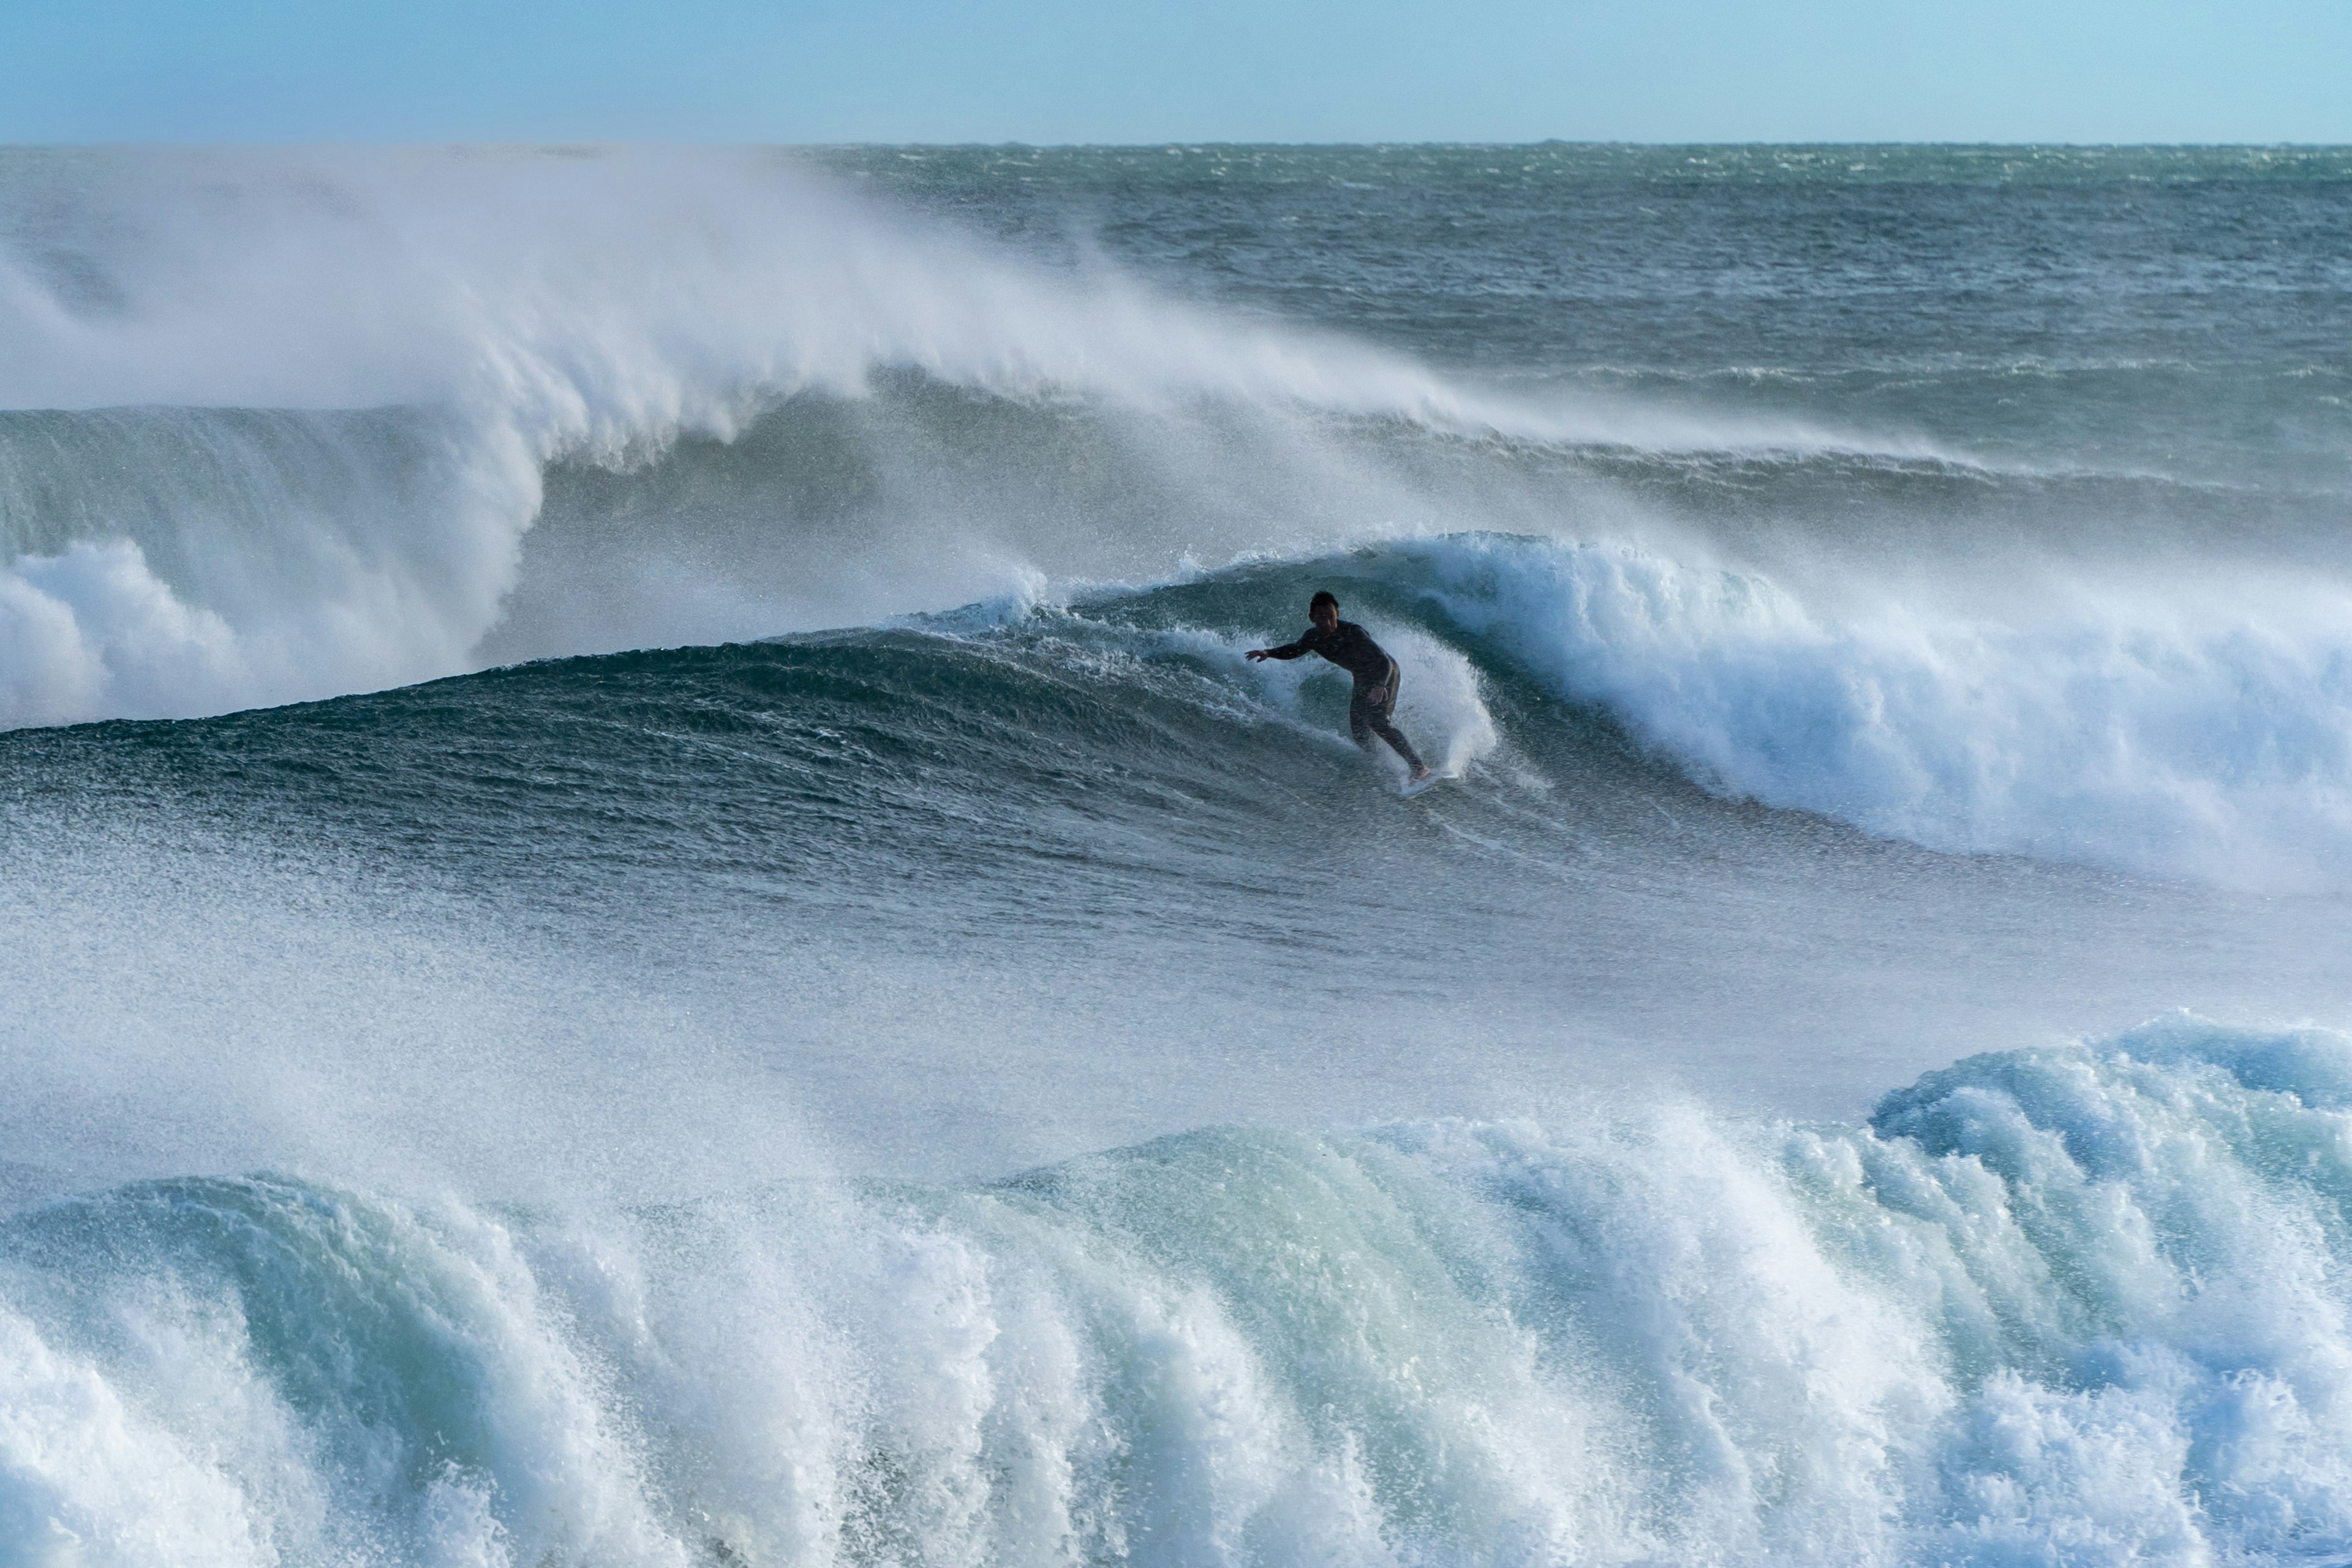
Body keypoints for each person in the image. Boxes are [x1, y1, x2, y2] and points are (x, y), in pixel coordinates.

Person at [1247, 591, 1433, 782]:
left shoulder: (1353, 632)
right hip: (1362, 678)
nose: (1327, 622)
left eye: (1331, 617)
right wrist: (1268, 652)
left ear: (1338, 615)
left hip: (1384, 674)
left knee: (1378, 722)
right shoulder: (1312, 637)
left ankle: (1420, 767)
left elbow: (1382, 660)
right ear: (1312, 618)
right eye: (1321, 617)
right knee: (1360, 732)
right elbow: (1295, 649)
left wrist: (1379, 685)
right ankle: (1383, 761)